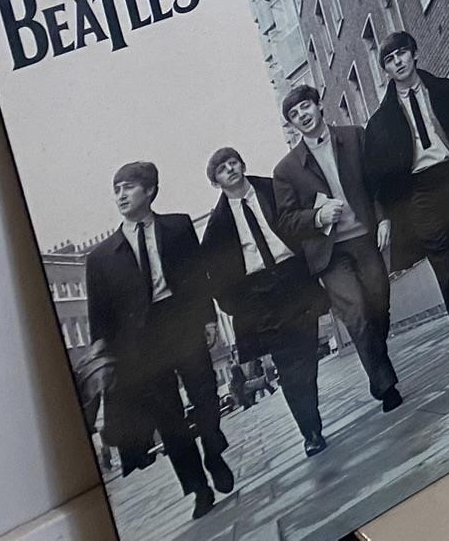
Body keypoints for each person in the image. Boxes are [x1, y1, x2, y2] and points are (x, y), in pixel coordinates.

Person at [82, 161, 234, 521]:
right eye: (116, 189)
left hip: (181, 323)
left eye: (128, 187)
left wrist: (209, 318)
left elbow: (198, 276)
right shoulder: (100, 258)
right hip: (141, 345)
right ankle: (198, 489)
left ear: (149, 190)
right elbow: (99, 316)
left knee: (205, 392)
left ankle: (213, 449)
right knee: (168, 418)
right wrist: (104, 356)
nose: (121, 195)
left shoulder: (178, 226)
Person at [364, 33, 449, 361]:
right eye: (389, 59)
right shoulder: (380, 122)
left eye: (402, 53)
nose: (398, 62)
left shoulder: (446, 90)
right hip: (418, 192)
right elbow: (377, 173)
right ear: (385, 69)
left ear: (414, 54)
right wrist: (390, 211)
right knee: (444, 264)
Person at [273, 86, 403, 412]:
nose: (302, 116)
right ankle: (385, 385)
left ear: (318, 106)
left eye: (305, 107)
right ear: (291, 124)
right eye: (294, 114)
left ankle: (378, 364)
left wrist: (383, 218)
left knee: (379, 305)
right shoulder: (286, 170)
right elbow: (286, 221)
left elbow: (375, 183)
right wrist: (317, 217)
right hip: (329, 254)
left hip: (365, 238)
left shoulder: (354, 136)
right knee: (356, 313)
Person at [200, 146, 329, 458]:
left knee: (307, 354)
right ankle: (310, 431)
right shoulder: (217, 226)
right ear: (216, 182)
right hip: (259, 294)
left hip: (293, 277)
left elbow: (301, 218)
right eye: (221, 169)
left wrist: (315, 262)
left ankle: (310, 417)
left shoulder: (273, 189)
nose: (230, 169)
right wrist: (239, 306)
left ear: (242, 164)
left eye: (233, 162)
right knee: (286, 364)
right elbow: (215, 278)